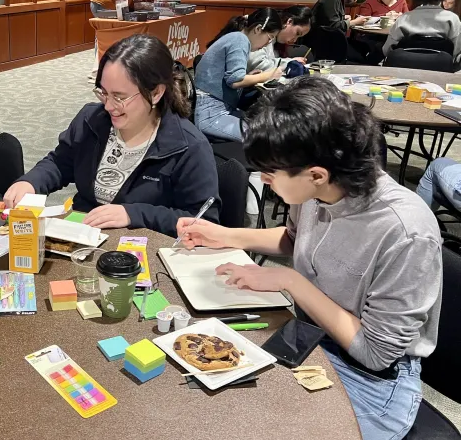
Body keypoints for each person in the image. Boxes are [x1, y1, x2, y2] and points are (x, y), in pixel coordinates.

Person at [176, 76, 441, 440]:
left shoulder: (405, 231)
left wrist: (290, 281)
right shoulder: (317, 192)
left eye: (270, 174)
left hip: (372, 378)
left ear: (317, 174)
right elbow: (295, 240)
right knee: (206, 397)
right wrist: (223, 235)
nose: (263, 180)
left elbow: (376, 353)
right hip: (308, 335)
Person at [3, 34, 220, 237]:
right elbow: (60, 163)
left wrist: (132, 214)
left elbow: (202, 220)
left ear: (156, 93)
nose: (108, 106)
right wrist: (30, 183)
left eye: (119, 97)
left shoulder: (188, 147)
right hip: (83, 235)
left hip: (141, 249)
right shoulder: (92, 120)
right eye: (103, 93)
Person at [193, 8, 283, 141]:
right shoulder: (240, 39)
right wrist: (269, 75)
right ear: (258, 29)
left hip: (212, 108)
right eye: (269, 38)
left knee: (263, 126)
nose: (267, 44)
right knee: (264, 136)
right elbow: (235, 81)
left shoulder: (236, 37)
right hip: (211, 114)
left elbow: (229, 77)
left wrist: (250, 76)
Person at [383, 0, 461, 60]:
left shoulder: (404, 18)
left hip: (405, 63)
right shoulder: (452, 19)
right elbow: (457, 50)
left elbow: (387, 50)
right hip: (439, 66)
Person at [310, 0, 375, 63]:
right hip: (325, 46)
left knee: (364, 46)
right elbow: (332, 27)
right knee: (362, 54)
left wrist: (343, 18)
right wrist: (354, 22)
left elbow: (329, 21)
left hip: (330, 43)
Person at [247, 5, 312, 72]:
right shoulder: (266, 31)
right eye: (297, 33)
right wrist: (289, 62)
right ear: (289, 22)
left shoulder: (278, 43)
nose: (295, 40)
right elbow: (256, 64)